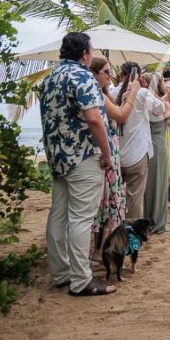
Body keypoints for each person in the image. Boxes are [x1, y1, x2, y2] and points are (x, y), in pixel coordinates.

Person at [39, 32, 116, 296]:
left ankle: (61, 273)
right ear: (84, 53)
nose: (92, 54)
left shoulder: (49, 78)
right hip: (83, 155)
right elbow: (94, 119)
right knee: (81, 218)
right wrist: (107, 154)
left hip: (57, 157)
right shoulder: (82, 76)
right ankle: (81, 280)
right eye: (92, 50)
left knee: (58, 215)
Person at [88, 57, 139, 259]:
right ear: (94, 74)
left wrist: (125, 98)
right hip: (107, 155)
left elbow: (116, 113)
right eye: (106, 72)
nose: (110, 76)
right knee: (105, 204)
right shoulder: (98, 95)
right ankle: (98, 250)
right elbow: (121, 115)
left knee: (109, 203)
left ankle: (100, 248)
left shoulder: (103, 94)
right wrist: (133, 93)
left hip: (112, 154)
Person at [112, 62, 166, 219]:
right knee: (135, 199)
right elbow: (160, 108)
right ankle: (131, 230)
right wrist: (146, 88)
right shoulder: (142, 93)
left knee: (114, 197)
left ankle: (116, 226)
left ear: (121, 74)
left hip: (116, 153)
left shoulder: (112, 93)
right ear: (139, 76)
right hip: (138, 153)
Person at [144, 72, 170, 234]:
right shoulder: (159, 102)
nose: (166, 84)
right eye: (163, 82)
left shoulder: (146, 99)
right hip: (158, 144)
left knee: (149, 183)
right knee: (158, 182)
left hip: (147, 144)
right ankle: (157, 221)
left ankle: (147, 217)